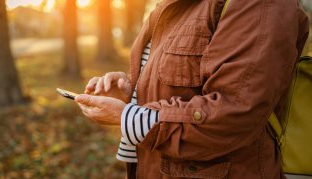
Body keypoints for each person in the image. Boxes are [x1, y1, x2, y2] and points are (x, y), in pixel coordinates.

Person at [75, 0, 309, 178]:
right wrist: (132, 92)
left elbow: (234, 112)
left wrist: (125, 116)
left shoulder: (260, 5)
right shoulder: (172, 5)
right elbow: (185, 84)